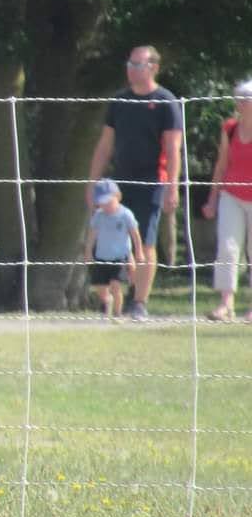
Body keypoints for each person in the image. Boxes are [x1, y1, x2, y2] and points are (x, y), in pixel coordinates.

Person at [86, 45, 183, 320]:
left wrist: (172, 186)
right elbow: (105, 145)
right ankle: (111, 298)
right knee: (110, 237)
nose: (131, 69)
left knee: (146, 240)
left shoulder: (166, 101)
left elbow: (174, 148)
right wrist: (92, 183)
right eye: (129, 63)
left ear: (153, 67)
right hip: (119, 181)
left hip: (152, 181)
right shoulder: (119, 100)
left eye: (137, 64)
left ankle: (138, 301)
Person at [201, 77, 252, 323]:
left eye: (246, 99)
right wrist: (212, 199)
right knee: (228, 248)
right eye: (240, 98)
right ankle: (226, 304)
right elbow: (221, 165)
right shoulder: (230, 128)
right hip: (231, 195)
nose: (241, 103)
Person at [84, 178, 144, 319]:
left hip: (120, 257)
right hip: (102, 256)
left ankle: (117, 315)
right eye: (101, 203)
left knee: (116, 286)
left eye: (108, 201)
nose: (105, 206)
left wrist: (138, 252)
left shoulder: (126, 215)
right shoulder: (98, 216)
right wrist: (88, 252)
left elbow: (135, 234)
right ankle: (107, 301)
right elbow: (92, 235)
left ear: (117, 196)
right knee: (100, 288)